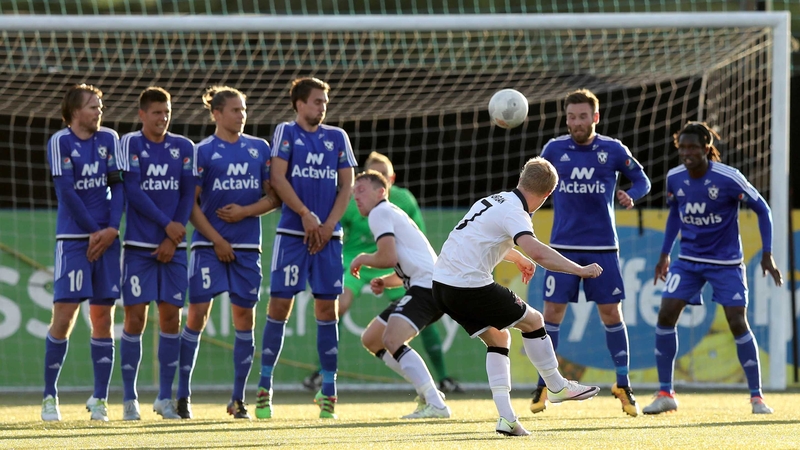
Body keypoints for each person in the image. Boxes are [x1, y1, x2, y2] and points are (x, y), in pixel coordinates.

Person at [432, 156, 602, 436]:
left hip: (442, 285)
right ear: (548, 194)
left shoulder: (494, 200)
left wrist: (516, 257)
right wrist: (578, 269)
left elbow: (478, 238)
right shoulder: (516, 213)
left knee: (499, 338)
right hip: (468, 286)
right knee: (534, 320)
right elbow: (538, 251)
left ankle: (507, 419)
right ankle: (556, 386)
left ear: (521, 180)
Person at [644, 121, 782, 415]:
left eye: (693, 147)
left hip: (726, 263)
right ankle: (666, 392)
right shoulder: (674, 177)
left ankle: (757, 398)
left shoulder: (728, 178)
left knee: (736, 321)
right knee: (666, 313)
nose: (687, 152)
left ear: (707, 147)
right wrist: (665, 254)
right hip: (689, 260)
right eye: (683, 147)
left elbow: (763, 209)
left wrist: (767, 254)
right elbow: (675, 215)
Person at [532, 89, 651, 417]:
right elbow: (535, 184)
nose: (576, 122)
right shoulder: (554, 149)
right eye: (571, 116)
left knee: (611, 315)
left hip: (603, 248)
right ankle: (545, 381)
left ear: (595, 118)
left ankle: (623, 383)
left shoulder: (612, 150)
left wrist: (632, 194)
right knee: (551, 314)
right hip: (563, 247)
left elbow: (642, 180)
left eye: (582, 116)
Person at [303, 151, 463, 394]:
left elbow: (408, 243)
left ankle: (438, 382)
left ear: (389, 181)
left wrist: (365, 259)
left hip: (392, 263)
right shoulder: (356, 202)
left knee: (410, 321)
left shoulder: (394, 203)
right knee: (343, 313)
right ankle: (323, 372)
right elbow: (336, 226)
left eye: (385, 178)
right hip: (365, 263)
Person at [256, 77, 356, 420]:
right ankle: (265, 388)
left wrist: (327, 225)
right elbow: (279, 179)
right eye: (316, 101)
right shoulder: (286, 133)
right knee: (279, 305)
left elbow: (347, 186)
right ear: (299, 104)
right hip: (292, 233)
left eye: (324, 101)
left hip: (329, 237)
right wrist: (305, 215)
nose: (322, 107)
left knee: (327, 311)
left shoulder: (337, 137)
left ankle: (329, 392)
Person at [181, 86, 279, 420]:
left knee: (244, 321)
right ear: (217, 114)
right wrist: (217, 240)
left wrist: (246, 211)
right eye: (235, 110)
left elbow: (274, 198)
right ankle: (183, 396)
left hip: (247, 248)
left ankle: (238, 399)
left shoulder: (259, 148)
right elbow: (190, 206)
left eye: (243, 110)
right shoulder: (202, 151)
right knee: (197, 315)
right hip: (209, 247)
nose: (241, 115)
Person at [41, 84, 123, 422]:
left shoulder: (110, 139)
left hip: (107, 238)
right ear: (75, 112)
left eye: (100, 105)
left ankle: (100, 399)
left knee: (104, 318)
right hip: (75, 239)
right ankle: (49, 396)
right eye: (93, 106)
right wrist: (95, 231)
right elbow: (67, 191)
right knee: (65, 317)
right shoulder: (61, 141)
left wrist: (112, 228)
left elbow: (118, 185)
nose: (99, 110)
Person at [116, 87, 195, 420]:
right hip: (139, 246)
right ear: (142, 115)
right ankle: (130, 398)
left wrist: (173, 236)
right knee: (135, 318)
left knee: (171, 318)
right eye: (156, 112)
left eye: (166, 112)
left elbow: (188, 191)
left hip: (173, 247)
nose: (162, 118)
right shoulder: (131, 143)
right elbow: (133, 191)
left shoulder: (184, 147)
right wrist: (167, 225)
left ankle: (165, 398)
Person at [351, 170, 451, 419]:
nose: (356, 196)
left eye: (361, 190)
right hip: (426, 286)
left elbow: (387, 257)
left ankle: (436, 403)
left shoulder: (380, 212)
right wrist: (386, 282)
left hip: (427, 288)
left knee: (392, 340)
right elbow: (406, 263)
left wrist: (362, 258)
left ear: (381, 192)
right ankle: (428, 396)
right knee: (372, 339)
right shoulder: (389, 213)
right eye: (354, 193)